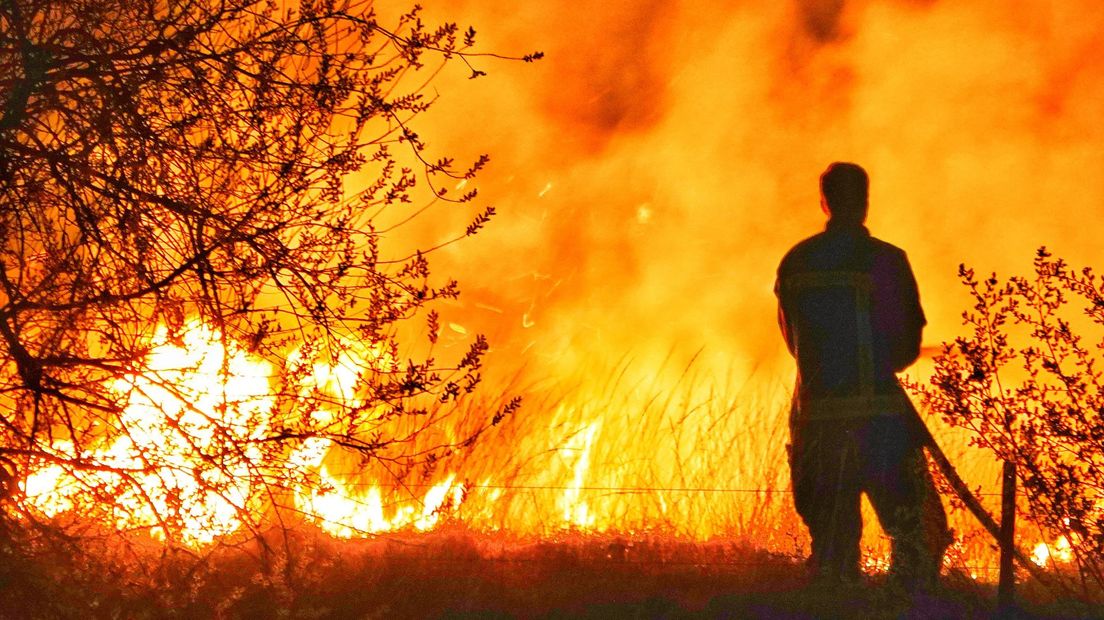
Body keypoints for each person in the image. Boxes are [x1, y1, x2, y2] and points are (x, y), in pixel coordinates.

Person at [774, 162, 951, 588]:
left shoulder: (796, 262)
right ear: (866, 202)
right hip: (881, 425)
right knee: (917, 539)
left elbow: (793, 341)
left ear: (825, 201)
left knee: (833, 555)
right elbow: (905, 345)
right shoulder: (887, 261)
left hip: (816, 427)